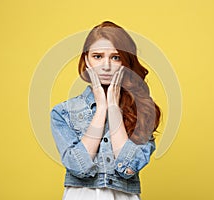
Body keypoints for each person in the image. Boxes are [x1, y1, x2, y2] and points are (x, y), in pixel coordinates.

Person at [50, 21, 161, 200]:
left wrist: (114, 108)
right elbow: (79, 167)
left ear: (126, 62)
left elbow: (128, 167)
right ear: (86, 60)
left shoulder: (143, 110)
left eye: (115, 57)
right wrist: (101, 108)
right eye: (98, 56)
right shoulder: (63, 113)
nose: (106, 66)